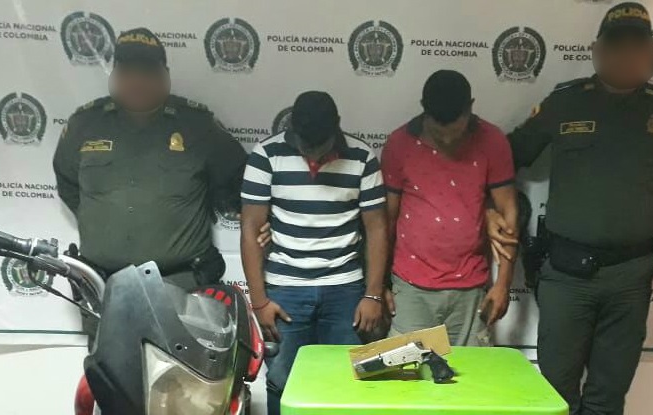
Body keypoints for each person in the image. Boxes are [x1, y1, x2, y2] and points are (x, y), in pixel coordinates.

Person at [487, 3, 653, 414]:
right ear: (597, 50)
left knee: (608, 395)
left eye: (637, 46)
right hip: (566, 276)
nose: (627, 55)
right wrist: (487, 209)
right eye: (616, 45)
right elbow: (505, 158)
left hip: (631, 277)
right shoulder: (565, 103)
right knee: (554, 392)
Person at [53, 28, 248, 342]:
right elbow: (68, 185)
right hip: (104, 286)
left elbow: (239, 181)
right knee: (110, 369)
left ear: (165, 76)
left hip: (182, 285)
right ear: (114, 75)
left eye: (147, 72)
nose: (137, 80)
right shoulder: (84, 125)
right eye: (127, 71)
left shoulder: (197, 126)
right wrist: (107, 221)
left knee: (184, 373)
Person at [240, 91, 388, 415]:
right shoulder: (266, 154)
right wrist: (259, 301)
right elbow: (250, 228)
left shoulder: (362, 157)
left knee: (349, 379)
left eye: (320, 148)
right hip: (286, 291)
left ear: (336, 127)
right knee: (282, 379)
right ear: (293, 128)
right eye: (306, 146)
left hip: (345, 289)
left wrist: (373, 294)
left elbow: (377, 228)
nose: (312, 158)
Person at [381, 70, 518, 345]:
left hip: (470, 288)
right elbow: (387, 221)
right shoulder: (399, 143)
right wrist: (380, 285)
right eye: (438, 133)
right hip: (411, 287)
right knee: (408, 369)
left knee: (470, 370)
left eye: (454, 133)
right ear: (424, 109)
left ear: (470, 108)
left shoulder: (492, 141)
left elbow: (509, 212)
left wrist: (503, 284)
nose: (446, 141)